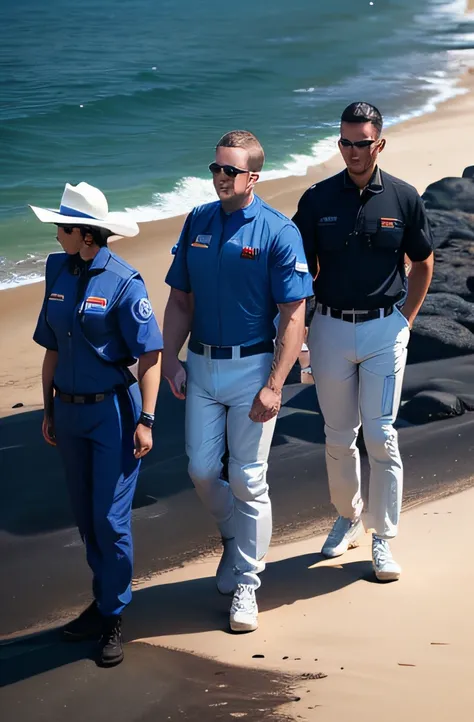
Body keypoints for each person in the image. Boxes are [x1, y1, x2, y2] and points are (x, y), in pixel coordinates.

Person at [162, 130, 313, 632]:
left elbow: (294, 315)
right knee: (203, 471)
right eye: (215, 169)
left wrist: (276, 384)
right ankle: (233, 536)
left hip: (253, 369)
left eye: (230, 171)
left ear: (253, 176)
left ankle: (248, 583)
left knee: (248, 478)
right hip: (201, 367)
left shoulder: (278, 231)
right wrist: (170, 360)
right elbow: (180, 299)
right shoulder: (198, 221)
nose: (220, 178)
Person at [293, 102, 434, 581]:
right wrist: (303, 336)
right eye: (346, 142)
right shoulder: (316, 200)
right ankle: (348, 515)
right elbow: (297, 272)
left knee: (381, 435)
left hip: (384, 329)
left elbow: (423, 262)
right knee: (338, 436)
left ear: (380, 143)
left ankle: (382, 538)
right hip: (329, 328)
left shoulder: (403, 196)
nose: (353, 151)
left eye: (362, 142)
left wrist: (406, 320)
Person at [31, 182, 163, 666]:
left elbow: (150, 352)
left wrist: (147, 420)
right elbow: (52, 347)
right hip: (67, 413)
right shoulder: (56, 269)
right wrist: (47, 408)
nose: (56, 234)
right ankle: (102, 599)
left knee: (110, 519)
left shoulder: (125, 282)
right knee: (86, 518)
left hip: (113, 415)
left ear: (86, 234)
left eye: (62, 228)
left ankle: (114, 615)